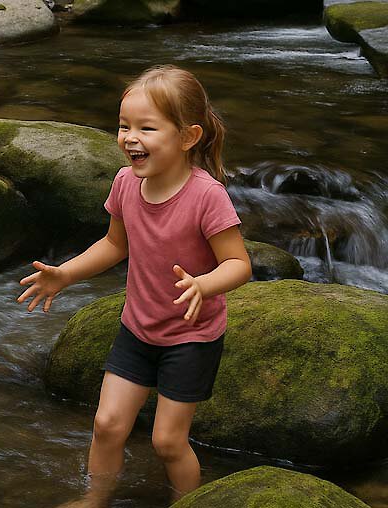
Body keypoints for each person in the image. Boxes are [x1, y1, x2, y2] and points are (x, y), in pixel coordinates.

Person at [17, 65, 252, 506]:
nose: (129, 137)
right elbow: (113, 244)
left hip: (190, 337)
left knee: (167, 442)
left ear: (187, 137)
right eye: (124, 126)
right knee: (107, 425)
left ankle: (187, 502)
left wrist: (204, 284)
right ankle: (95, 500)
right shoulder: (126, 182)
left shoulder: (206, 195)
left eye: (146, 127)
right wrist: (65, 274)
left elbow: (239, 264)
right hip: (137, 330)